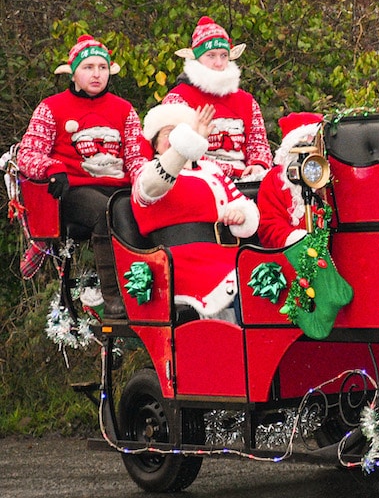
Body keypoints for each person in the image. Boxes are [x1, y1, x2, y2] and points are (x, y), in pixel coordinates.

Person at [17, 34, 149, 317]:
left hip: (119, 187)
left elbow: (138, 157)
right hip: (73, 191)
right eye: (88, 67)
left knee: (138, 210)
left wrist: (146, 185)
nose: (96, 74)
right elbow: (27, 154)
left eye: (102, 67)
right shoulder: (51, 107)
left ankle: (150, 292)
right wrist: (52, 168)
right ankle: (114, 297)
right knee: (105, 212)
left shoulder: (124, 110)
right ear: (73, 72)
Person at [132, 102, 259, 321]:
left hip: (225, 254)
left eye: (183, 132)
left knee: (267, 276)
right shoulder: (149, 172)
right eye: (169, 133)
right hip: (180, 260)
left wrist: (241, 214)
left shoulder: (211, 170)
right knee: (239, 282)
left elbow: (241, 202)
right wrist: (184, 145)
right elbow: (153, 187)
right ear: (154, 143)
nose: (177, 138)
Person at [162, 16, 272, 181]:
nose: (219, 63)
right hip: (199, 181)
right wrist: (232, 171)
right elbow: (175, 153)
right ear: (196, 58)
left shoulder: (246, 101)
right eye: (211, 56)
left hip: (246, 182)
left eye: (223, 55)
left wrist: (258, 166)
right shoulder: (178, 99)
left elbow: (259, 145)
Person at [256, 111, 325, 249]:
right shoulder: (275, 179)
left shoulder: (330, 173)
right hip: (292, 254)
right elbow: (269, 225)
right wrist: (295, 240)